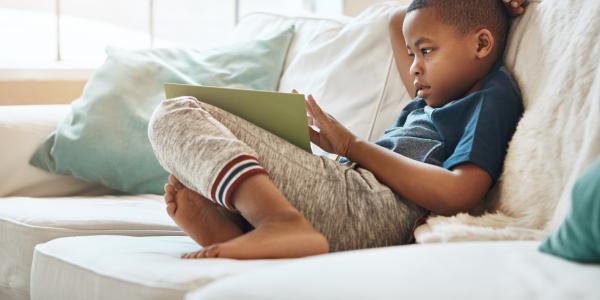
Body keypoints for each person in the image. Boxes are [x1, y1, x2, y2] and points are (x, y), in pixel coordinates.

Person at [148, 0, 527, 259]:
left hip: (368, 204)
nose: (413, 67)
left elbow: (461, 192)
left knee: (174, 114)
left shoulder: (489, 95)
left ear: (481, 44)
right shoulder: (430, 97)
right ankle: (244, 231)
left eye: (425, 51)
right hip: (348, 195)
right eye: (411, 54)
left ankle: (278, 222)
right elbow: (400, 22)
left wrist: (351, 144)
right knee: (196, 172)